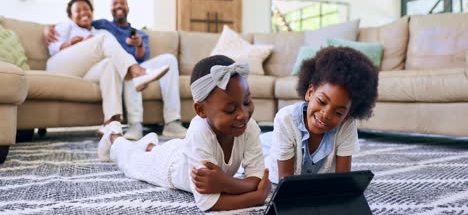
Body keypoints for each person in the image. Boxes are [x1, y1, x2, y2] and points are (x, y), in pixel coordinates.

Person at [97, 55, 271, 211]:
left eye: (247, 103)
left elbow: (257, 179)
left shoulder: (250, 127)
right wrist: (257, 196)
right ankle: (113, 135)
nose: (243, 115)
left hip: (182, 150)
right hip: (166, 166)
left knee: (170, 149)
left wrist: (225, 183)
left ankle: (150, 146)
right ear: (201, 110)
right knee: (130, 161)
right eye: (231, 109)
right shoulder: (199, 132)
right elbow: (209, 203)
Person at [45, 0, 186, 139]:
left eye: (86, 9)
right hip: (60, 66)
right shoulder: (67, 26)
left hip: (86, 70)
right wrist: (68, 42)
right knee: (105, 39)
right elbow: (53, 46)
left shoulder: (98, 31)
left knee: (111, 64)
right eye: (78, 10)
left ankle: (111, 123)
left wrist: (138, 45)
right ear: (70, 16)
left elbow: (141, 55)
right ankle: (137, 71)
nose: (83, 13)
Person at [262, 46, 379, 184]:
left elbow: (343, 180)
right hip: (273, 168)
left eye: (339, 112)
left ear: (348, 114)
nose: (326, 114)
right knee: (260, 147)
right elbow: (285, 181)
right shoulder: (286, 119)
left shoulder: (347, 125)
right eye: (322, 101)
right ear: (310, 92)